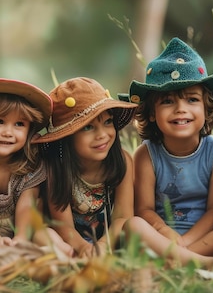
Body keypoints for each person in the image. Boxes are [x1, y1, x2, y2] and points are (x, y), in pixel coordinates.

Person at [120, 37, 213, 269]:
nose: (181, 109)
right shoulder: (146, 154)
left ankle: (178, 261)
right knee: (133, 226)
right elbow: (145, 209)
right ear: (151, 113)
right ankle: (204, 264)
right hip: (160, 238)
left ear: (208, 109)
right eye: (168, 101)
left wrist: (185, 243)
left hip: (205, 237)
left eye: (192, 99)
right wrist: (167, 235)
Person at [0, 78, 72, 256]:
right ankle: (1, 258)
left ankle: (53, 256)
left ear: (30, 129)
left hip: (24, 232)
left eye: (19, 124)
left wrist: (20, 239)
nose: (8, 132)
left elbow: (27, 207)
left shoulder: (31, 165)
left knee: (46, 234)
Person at [32, 77, 138, 258]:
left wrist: (103, 245)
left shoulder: (122, 161)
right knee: (41, 235)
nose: (102, 135)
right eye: (88, 127)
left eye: (108, 122)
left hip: (110, 239)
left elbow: (122, 216)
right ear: (67, 137)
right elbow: (63, 227)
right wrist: (84, 248)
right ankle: (69, 262)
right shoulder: (55, 167)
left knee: (135, 225)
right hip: (68, 241)